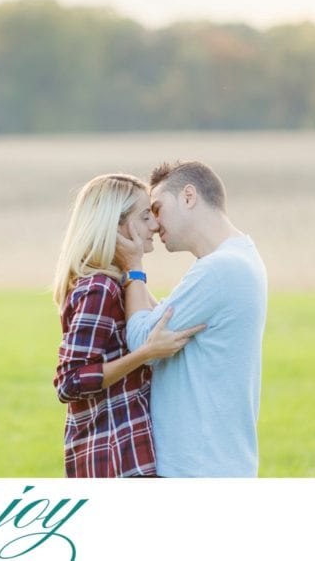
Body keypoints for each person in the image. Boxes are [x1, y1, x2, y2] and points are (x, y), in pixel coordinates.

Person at [119, 160, 267, 477]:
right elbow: (161, 325)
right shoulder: (241, 257)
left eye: (157, 209)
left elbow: (141, 339)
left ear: (188, 196)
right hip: (215, 464)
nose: (155, 225)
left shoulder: (220, 269)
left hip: (197, 469)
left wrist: (133, 266)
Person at [52, 173, 205, 478]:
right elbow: (70, 382)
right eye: (146, 216)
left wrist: (133, 267)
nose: (156, 225)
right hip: (113, 460)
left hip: (129, 454)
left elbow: (159, 318)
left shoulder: (119, 284)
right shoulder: (99, 290)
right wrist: (145, 353)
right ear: (117, 224)